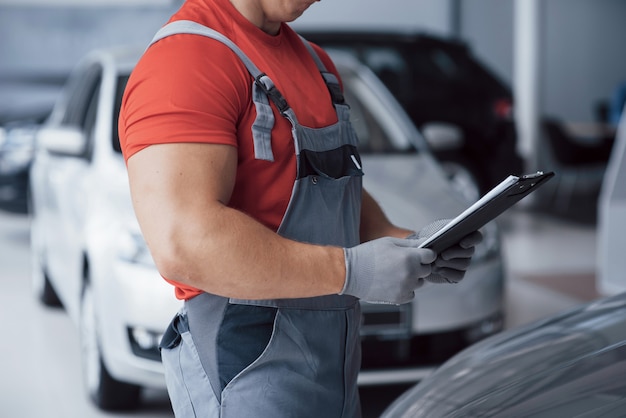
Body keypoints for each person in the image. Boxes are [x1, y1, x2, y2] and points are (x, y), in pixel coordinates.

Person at [119, 0, 481, 416]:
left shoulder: (316, 63)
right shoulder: (186, 60)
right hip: (246, 373)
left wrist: (414, 247)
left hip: (335, 370)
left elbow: (334, 194)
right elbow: (185, 244)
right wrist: (351, 271)